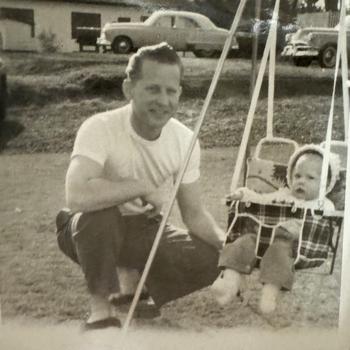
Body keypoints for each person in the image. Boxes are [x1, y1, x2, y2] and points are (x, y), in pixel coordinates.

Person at [55, 42, 225, 330]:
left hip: (143, 230)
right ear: (129, 89)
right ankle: (101, 313)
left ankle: (135, 294)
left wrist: (228, 248)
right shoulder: (100, 127)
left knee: (213, 258)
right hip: (85, 230)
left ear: (179, 94)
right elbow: (77, 195)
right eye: (152, 88)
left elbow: (194, 214)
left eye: (171, 91)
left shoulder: (185, 140)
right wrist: (141, 186)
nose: (163, 100)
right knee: (101, 215)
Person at [211, 144, 339, 314]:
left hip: (291, 244)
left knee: (278, 252)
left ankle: (270, 292)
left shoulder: (323, 204)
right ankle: (230, 280)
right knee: (242, 241)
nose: (301, 181)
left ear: (325, 184)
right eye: (297, 175)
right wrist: (243, 195)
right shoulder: (283, 194)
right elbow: (261, 199)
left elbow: (328, 222)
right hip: (262, 237)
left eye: (310, 178)